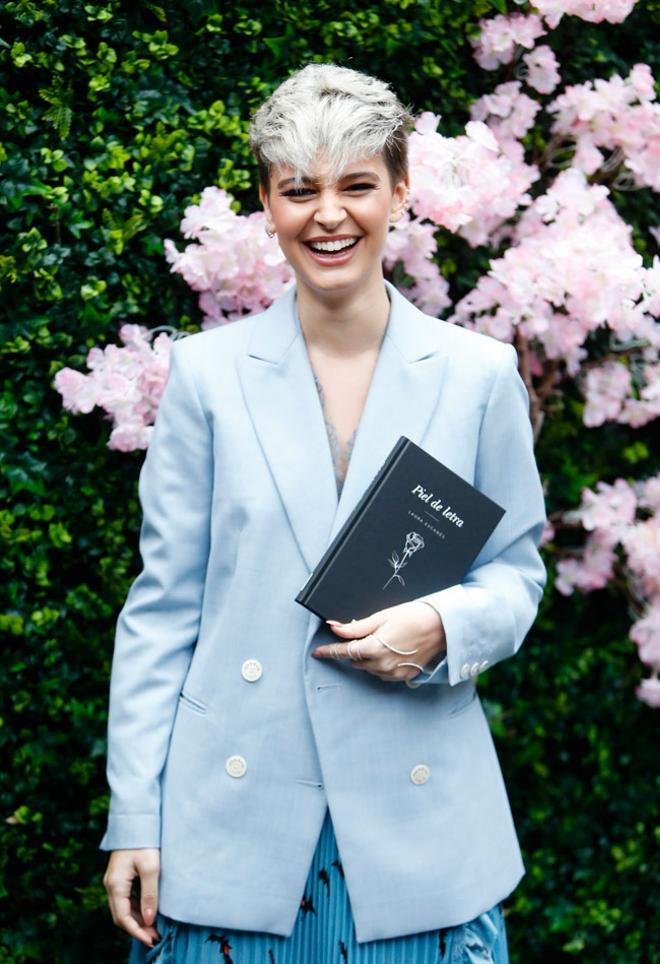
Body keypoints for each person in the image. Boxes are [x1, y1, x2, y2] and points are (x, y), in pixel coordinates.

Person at [100, 62, 547, 963]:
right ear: (268, 200)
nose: (328, 214)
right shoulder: (206, 377)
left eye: (356, 185)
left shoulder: (478, 375)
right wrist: (133, 815)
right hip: (231, 828)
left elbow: (516, 570)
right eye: (300, 189)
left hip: (420, 830)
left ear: (401, 191)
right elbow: (163, 610)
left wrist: (442, 624)